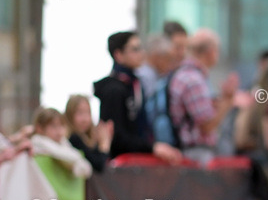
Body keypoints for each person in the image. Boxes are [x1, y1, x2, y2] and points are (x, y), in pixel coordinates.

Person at [93, 31, 183, 164]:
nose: (141, 53)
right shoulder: (114, 90)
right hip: (120, 166)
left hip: (136, 162)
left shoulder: (135, 84)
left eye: (141, 48)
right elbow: (117, 137)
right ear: (118, 55)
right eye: (135, 49)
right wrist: (152, 147)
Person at [168, 28, 239, 164]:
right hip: (196, 154)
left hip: (189, 152)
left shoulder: (184, 74)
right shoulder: (194, 80)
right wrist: (228, 102)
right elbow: (206, 125)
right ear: (211, 52)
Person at [29, 107, 92, 179]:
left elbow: (86, 168)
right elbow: (72, 157)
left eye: (61, 126)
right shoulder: (38, 142)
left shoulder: (63, 143)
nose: (59, 131)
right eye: (53, 126)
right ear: (39, 128)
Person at [65, 95, 113, 173]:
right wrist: (104, 144)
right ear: (70, 115)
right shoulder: (74, 138)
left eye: (87, 113)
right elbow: (98, 165)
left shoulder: (88, 139)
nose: (85, 119)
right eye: (80, 113)